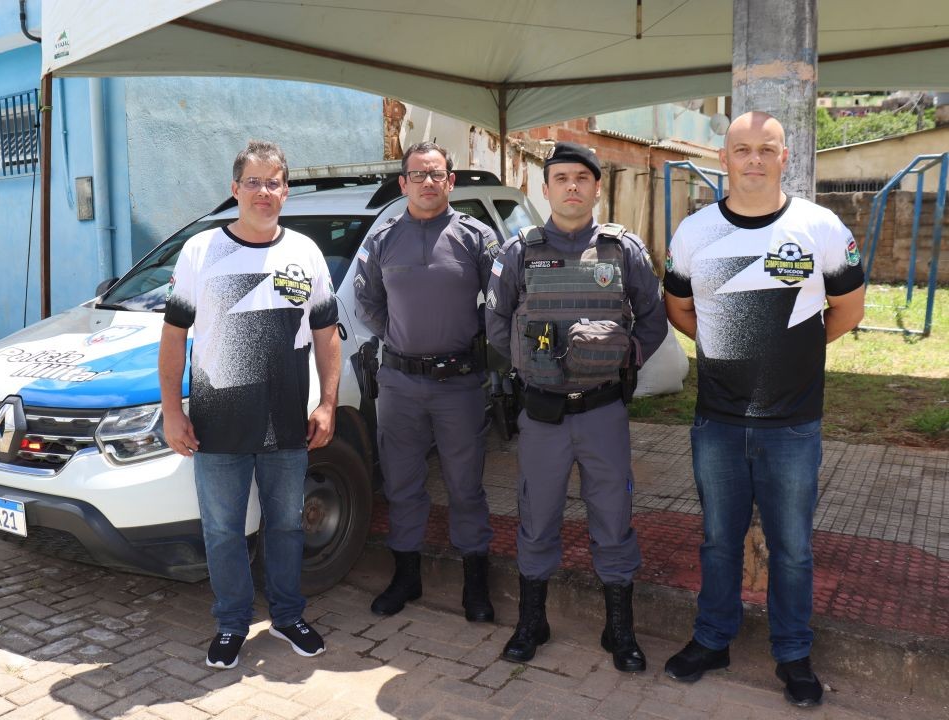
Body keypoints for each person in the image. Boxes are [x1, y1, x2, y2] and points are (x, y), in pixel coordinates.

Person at [662, 111, 866, 707]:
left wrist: (791, 354)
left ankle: (793, 654)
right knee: (718, 541)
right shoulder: (694, 232)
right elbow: (679, 310)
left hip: (793, 426)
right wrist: (730, 349)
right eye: (743, 149)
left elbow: (849, 310)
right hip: (718, 424)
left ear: (785, 157)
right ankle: (712, 639)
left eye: (766, 149)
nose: (754, 159)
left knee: (793, 549)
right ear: (724, 157)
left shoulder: (819, 227)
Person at [159, 140, 341, 669]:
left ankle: (287, 616)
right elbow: (174, 336)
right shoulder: (201, 251)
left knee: (287, 526)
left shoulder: (305, 253)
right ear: (235, 189)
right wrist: (172, 411)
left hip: (287, 422)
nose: (264, 192)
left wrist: (328, 404)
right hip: (217, 424)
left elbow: (327, 334)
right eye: (254, 182)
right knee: (222, 531)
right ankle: (232, 623)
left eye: (273, 182)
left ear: (286, 191)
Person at [486, 141, 668, 671]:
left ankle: (620, 629)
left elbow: (653, 319)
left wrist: (624, 358)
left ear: (596, 188)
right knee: (537, 515)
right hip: (542, 414)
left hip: (602, 411)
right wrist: (532, 366)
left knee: (613, 516)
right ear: (545, 189)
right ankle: (532, 622)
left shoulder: (622, 250)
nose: (572, 187)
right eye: (561, 178)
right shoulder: (518, 252)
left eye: (582, 178)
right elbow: (496, 324)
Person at [354, 141, 500, 622]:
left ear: (450, 181)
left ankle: (475, 585)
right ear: (403, 183)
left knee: (465, 486)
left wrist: (470, 339)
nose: (427, 182)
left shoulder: (476, 237)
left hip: (460, 384)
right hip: (399, 383)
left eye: (436, 173)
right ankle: (406, 577)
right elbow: (367, 302)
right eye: (417, 174)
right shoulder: (382, 239)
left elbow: (501, 302)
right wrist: (402, 338)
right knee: (402, 483)